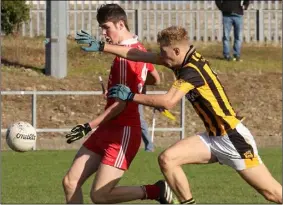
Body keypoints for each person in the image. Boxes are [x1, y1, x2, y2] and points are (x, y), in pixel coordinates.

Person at [78, 25, 282, 204]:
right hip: (213, 137)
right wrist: (102, 46)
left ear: (176, 50)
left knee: (272, 194)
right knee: (168, 159)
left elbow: (168, 101)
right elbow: (139, 55)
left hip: (233, 138)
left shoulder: (191, 70)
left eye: (164, 53)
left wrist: (131, 95)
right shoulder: (180, 58)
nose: (161, 57)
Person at [62, 4, 173, 204]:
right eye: (101, 29)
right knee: (70, 182)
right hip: (108, 128)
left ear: (120, 24)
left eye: (106, 28)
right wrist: (127, 86)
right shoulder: (138, 49)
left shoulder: (126, 58)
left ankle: (156, 191)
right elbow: (155, 78)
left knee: (99, 195)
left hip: (123, 132)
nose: (104, 34)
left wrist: (88, 126)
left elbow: (119, 106)